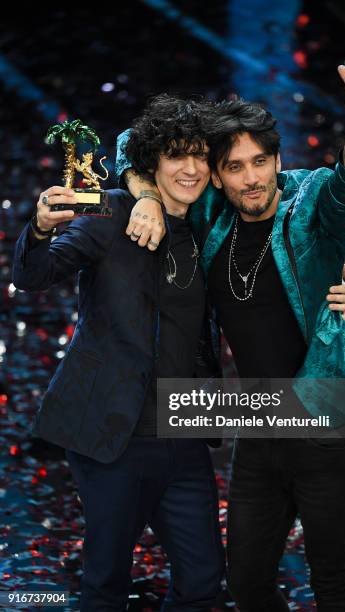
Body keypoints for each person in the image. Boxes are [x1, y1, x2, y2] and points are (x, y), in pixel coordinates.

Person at [115, 66, 345, 611]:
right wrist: (145, 197)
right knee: (246, 583)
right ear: (216, 177)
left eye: (260, 162)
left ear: (278, 161)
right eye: (235, 167)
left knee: (332, 580)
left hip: (329, 420)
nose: (251, 179)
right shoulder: (212, 213)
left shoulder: (309, 202)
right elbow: (130, 142)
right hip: (262, 424)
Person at [12, 96, 225, 612]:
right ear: (152, 164)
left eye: (200, 156)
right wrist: (39, 229)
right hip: (110, 433)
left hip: (183, 432)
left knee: (203, 581)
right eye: (177, 155)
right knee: (106, 579)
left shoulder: (210, 227)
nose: (191, 168)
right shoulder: (109, 211)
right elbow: (33, 276)